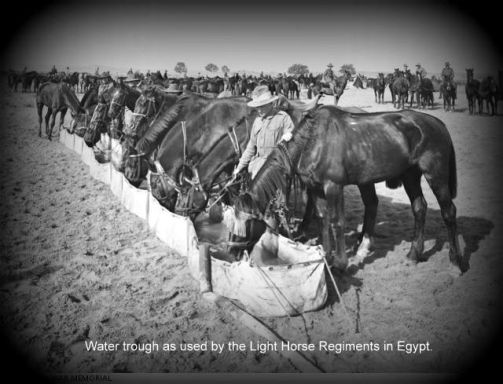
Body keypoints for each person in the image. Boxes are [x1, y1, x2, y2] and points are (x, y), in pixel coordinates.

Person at [233, 85, 295, 179]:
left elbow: (291, 141)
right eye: (257, 107)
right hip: (257, 165)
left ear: (271, 104)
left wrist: (288, 136)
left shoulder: (282, 118)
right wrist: (239, 167)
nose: (259, 110)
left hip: (276, 165)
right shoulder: (257, 121)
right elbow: (251, 147)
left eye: (262, 106)